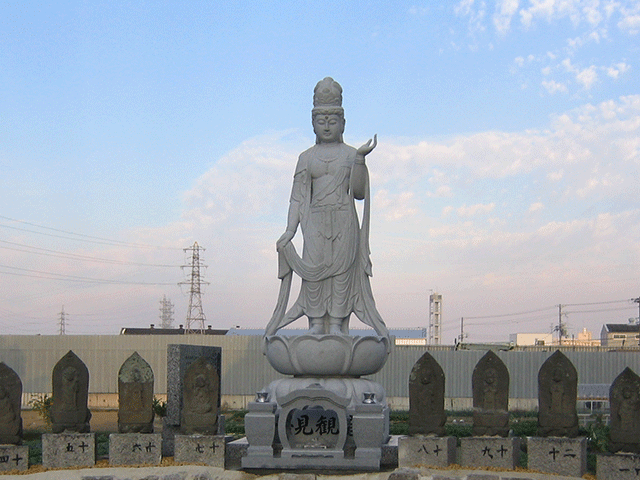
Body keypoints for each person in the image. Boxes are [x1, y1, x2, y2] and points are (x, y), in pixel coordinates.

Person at [265, 77, 388, 337]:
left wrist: (360, 160)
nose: (327, 126)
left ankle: (336, 326)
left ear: (343, 123)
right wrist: (290, 231)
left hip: (344, 220)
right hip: (315, 223)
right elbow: (297, 198)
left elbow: (358, 193)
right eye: (321, 121)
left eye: (333, 121)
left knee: (342, 276)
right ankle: (316, 324)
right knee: (314, 275)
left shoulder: (350, 154)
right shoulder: (306, 158)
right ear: (313, 124)